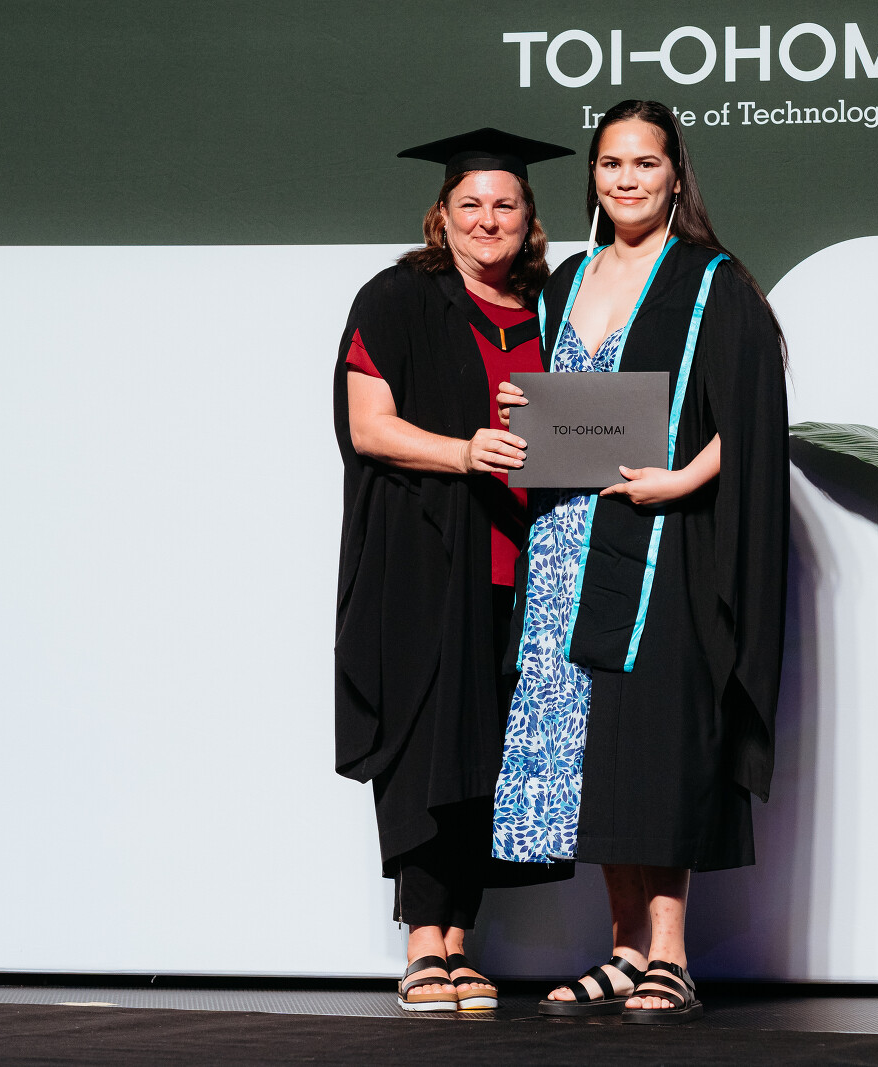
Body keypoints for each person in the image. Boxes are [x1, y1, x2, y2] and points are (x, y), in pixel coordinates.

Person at [493, 100, 789, 1024]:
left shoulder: (711, 281)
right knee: (594, 748)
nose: (627, 179)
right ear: (593, 175)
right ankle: (623, 950)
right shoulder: (563, 281)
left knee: (654, 740)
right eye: (612, 163)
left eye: (646, 163)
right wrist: (522, 418)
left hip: (660, 538)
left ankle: (671, 954)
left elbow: (752, 417)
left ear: (675, 175)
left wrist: (682, 479)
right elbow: (560, 407)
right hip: (564, 542)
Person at [332, 128, 574, 1013]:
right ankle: (421, 944)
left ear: (528, 217)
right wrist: (464, 452)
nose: (486, 219)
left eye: (504, 204)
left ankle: (462, 941)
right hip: (425, 561)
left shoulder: (554, 307)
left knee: (492, 754)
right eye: (469, 203)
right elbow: (369, 426)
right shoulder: (398, 297)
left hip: (527, 562)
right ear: (441, 215)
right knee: (424, 742)